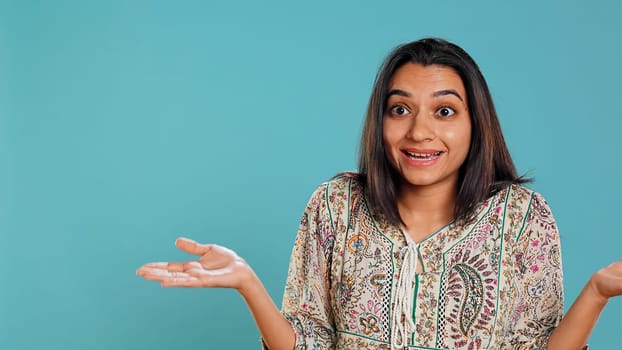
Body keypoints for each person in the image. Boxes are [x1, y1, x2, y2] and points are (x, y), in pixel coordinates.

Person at [136, 38, 622, 350]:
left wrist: (598, 292)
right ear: (380, 121)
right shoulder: (335, 206)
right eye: (399, 109)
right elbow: (308, 344)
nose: (420, 131)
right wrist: (248, 284)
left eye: (446, 111)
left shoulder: (521, 218)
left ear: (477, 124)